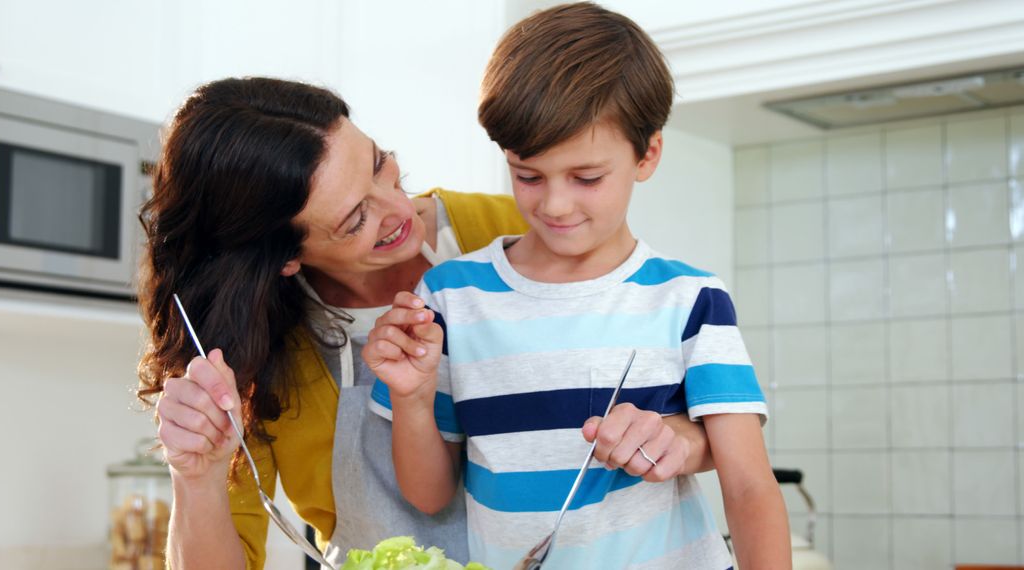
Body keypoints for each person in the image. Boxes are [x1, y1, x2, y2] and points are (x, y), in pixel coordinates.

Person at [135, 76, 715, 569]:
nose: (398, 209)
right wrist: (197, 476)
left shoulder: (520, 229)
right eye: (357, 217)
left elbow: (705, 400)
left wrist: (679, 438)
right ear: (284, 256)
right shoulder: (246, 354)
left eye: (380, 165)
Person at [364, 3, 791, 569]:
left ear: (648, 154)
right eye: (528, 176)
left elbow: (749, 488)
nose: (555, 204)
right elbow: (429, 495)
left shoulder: (690, 300)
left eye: (587, 178)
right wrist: (413, 398)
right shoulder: (448, 298)